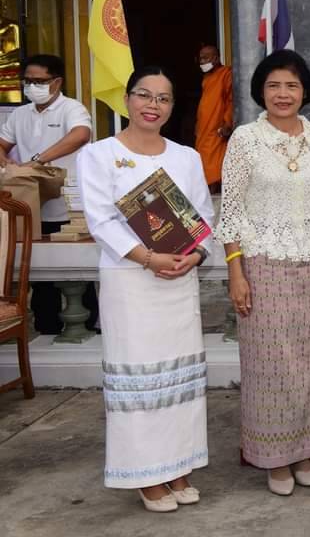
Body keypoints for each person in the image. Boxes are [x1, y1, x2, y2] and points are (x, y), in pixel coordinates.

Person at [77, 65, 212, 513]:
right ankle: (145, 475)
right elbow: (101, 221)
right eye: (144, 95)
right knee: (139, 381)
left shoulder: (186, 157)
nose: (153, 105)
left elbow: (204, 218)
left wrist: (196, 254)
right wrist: (148, 258)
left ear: (172, 107)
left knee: (179, 380)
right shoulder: (99, 154)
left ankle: (178, 467)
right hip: (131, 281)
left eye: (163, 98)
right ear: (127, 99)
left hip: (178, 280)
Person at [217, 49, 310, 496]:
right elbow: (231, 211)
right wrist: (236, 271)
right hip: (263, 265)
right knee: (270, 366)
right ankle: (274, 457)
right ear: (261, 92)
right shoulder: (245, 140)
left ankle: (305, 448)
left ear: (304, 90)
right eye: (274, 85)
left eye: (291, 85)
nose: (283, 94)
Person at [0, 53, 94, 334]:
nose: (32, 87)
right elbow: (2, 142)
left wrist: (38, 160)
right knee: (41, 275)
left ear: (57, 82)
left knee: (79, 273)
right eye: (27, 81)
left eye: (39, 81)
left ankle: (88, 328)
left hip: (69, 206)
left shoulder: (71, 109)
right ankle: (47, 328)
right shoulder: (20, 114)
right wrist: (5, 161)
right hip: (33, 205)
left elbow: (81, 135)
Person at [194, 44, 233, 192]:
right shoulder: (207, 78)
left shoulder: (226, 74)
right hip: (204, 128)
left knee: (214, 161)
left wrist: (228, 123)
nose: (202, 62)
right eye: (201, 59)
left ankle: (214, 189)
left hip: (217, 127)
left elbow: (231, 100)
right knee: (203, 159)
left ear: (216, 58)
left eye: (206, 58)